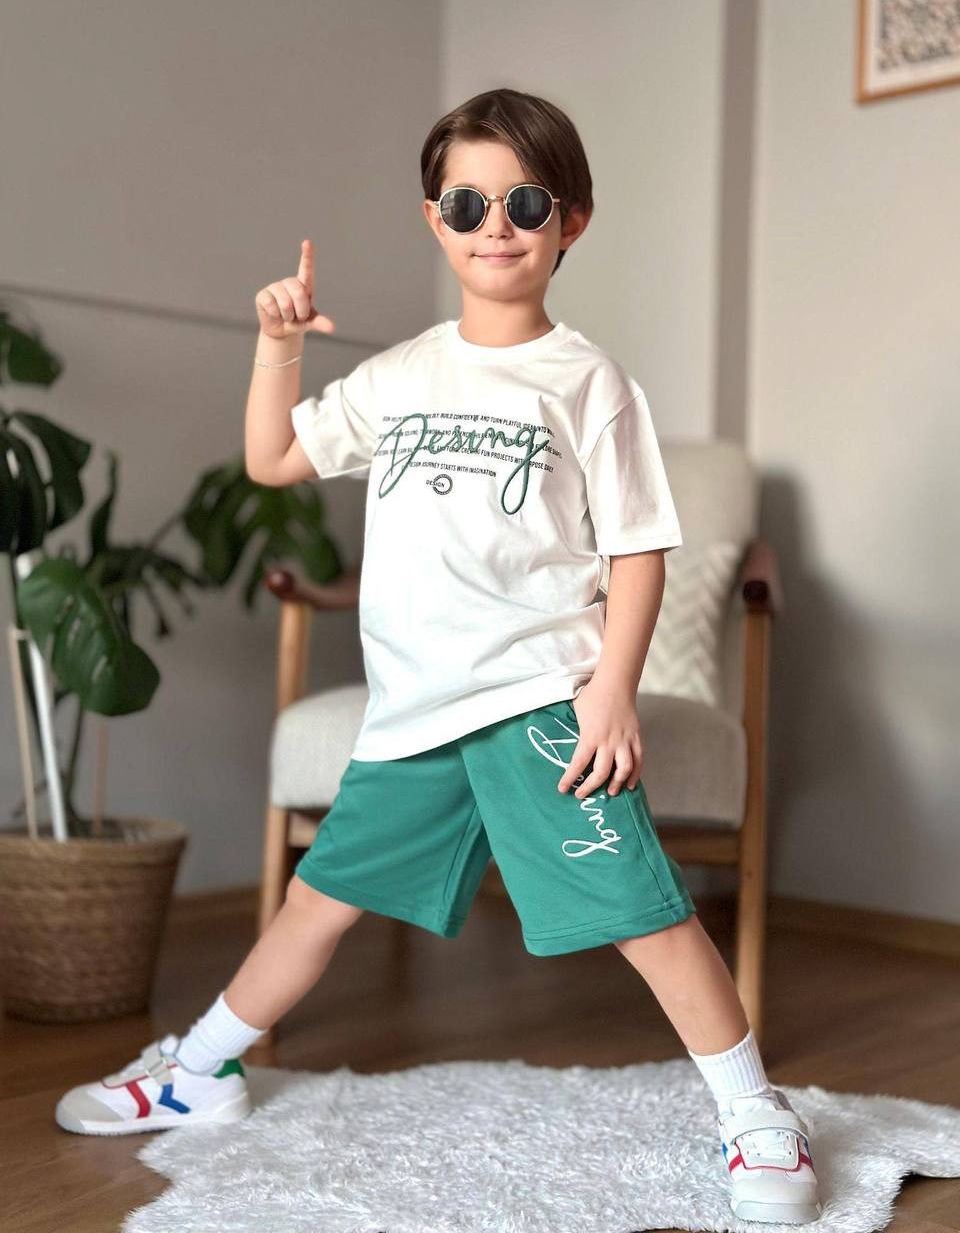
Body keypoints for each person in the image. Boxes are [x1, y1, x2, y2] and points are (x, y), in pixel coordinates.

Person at [56, 88, 821, 1224]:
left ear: (571, 220)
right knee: (318, 900)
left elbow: (638, 550)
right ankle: (202, 1069)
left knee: (643, 912)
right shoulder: (401, 374)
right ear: (435, 219)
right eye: (468, 204)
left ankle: (757, 1113)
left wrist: (613, 690)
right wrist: (276, 347)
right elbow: (273, 460)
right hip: (414, 710)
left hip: (539, 703)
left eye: (525, 203)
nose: (494, 226)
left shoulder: (589, 382)